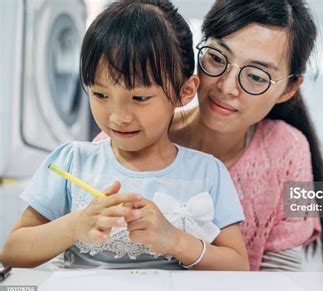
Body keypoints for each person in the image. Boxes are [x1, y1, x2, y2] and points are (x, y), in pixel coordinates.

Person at [1, 0, 249, 271]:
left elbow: (238, 267)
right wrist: (75, 225)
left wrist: (175, 240)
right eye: (100, 95)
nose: (119, 116)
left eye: (140, 97)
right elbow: (12, 252)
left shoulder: (208, 173)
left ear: (184, 92)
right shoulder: (71, 161)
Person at [169, 0, 323, 271]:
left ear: (288, 89)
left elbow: (279, 278)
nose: (226, 87)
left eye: (257, 77)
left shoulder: (289, 150)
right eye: (216, 57)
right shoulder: (145, 133)